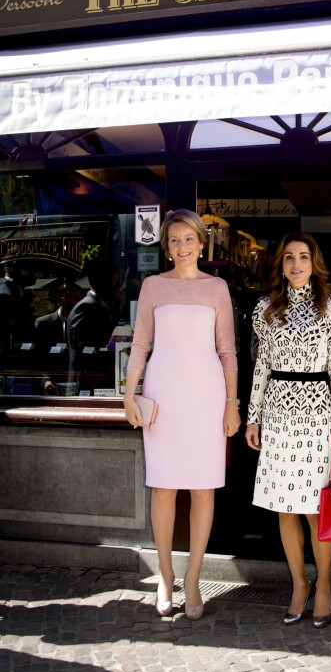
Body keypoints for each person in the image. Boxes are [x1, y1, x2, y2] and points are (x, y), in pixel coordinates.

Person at [124, 209, 240, 620]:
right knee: (164, 488)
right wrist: (128, 394)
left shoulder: (218, 288)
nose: (182, 246)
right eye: (174, 239)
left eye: (189, 239)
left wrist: (231, 403)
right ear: (166, 245)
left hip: (206, 397)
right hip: (163, 396)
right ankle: (164, 575)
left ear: (201, 243)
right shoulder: (153, 286)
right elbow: (140, 345)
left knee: (203, 490)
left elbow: (227, 351)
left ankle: (192, 578)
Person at [245, 233, 331, 629]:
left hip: (317, 414)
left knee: (313, 509)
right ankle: (298, 585)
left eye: (303, 257)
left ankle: (324, 586)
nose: (296, 264)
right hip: (277, 413)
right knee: (285, 509)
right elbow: (261, 367)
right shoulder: (266, 309)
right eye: (288, 257)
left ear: (313, 262)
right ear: (281, 264)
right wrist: (253, 416)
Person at [67, 259, 119, 380]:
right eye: (113, 276)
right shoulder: (86, 306)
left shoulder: (100, 304)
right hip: (87, 378)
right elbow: (82, 349)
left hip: (95, 376)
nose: (116, 281)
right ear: (103, 278)